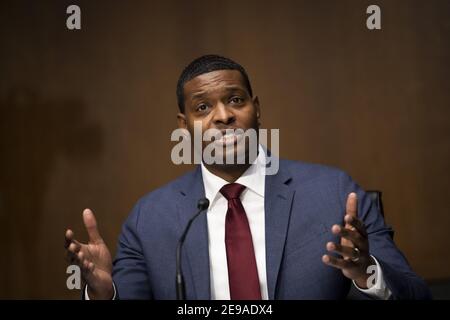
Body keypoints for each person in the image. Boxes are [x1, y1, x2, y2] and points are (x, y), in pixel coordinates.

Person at [64, 55, 431, 300]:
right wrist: (103, 293)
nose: (223, 116)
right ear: (184, 126)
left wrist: (366, 271)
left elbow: (416, 293)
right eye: (203, 107)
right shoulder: (150, 218)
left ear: (257, 110)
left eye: (235, 100)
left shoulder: (334, 194)